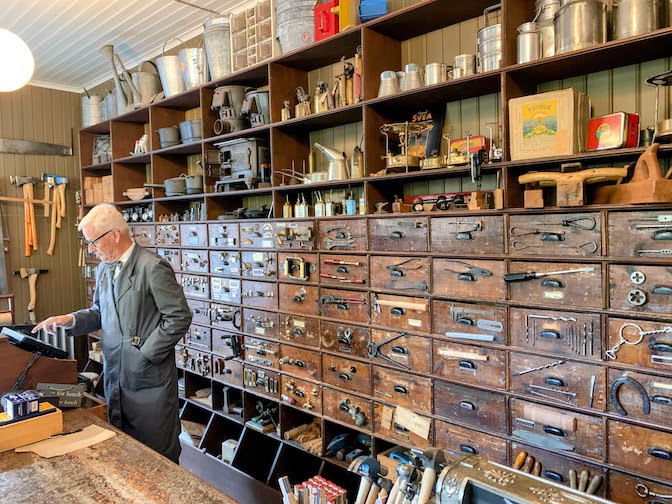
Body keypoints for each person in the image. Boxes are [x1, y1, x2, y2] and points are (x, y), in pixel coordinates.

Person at [34, 203, 191, 463]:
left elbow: (179, 317)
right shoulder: (105, 269)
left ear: (115, 235)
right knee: (124, 454)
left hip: (148, 383)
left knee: (156, 460)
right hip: (116, 377)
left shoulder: (152, 268)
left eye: (93, 242)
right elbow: (100, 311)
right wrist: (71, 319)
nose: (91, 249)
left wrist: (144, 354)